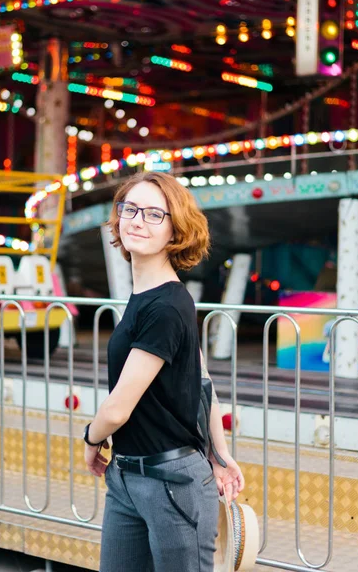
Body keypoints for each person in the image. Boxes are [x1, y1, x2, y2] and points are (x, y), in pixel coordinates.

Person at [83, 172, 245, 571]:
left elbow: (118, 408)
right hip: (126, 476)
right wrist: (221, 452)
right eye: (130, 209)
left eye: (155, 214)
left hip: (172, 481)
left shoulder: (167, 306)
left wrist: (90, 438)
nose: (138, 220)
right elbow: (202, 382)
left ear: (175, 230)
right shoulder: (149, 297)